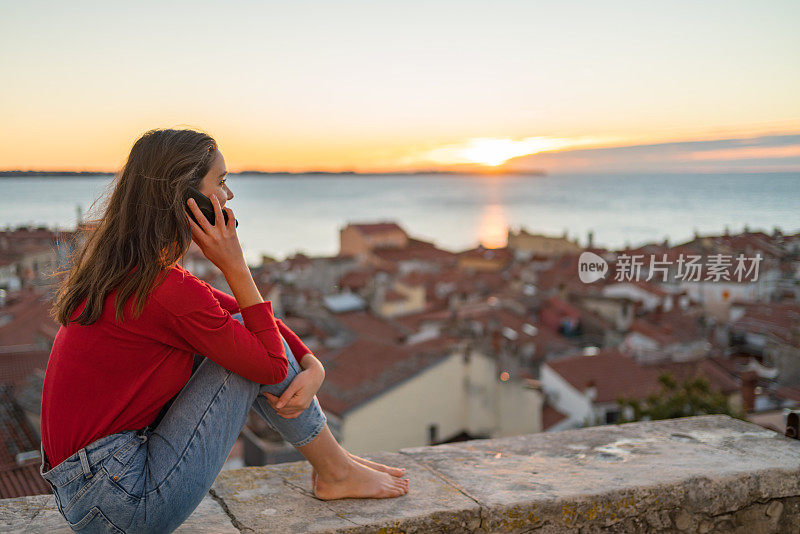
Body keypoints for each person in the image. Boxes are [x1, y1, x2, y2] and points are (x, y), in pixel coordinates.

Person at [39, 128, 409, 533]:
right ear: (188, 198)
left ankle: (337, 466)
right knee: (246, 358)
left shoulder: (132, 273)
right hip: (122, 502)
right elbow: (267, 362)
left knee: (244, 333)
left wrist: (311, 362)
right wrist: (236, 266)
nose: (229, 196)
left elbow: (256, 320)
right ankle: (336, 471)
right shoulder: (164, 290)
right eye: (222, 182)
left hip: (93, 492)